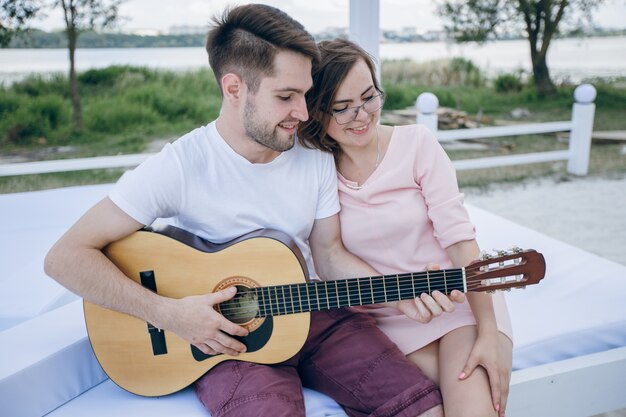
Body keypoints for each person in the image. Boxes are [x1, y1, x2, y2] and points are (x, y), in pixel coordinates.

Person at [44, 5, 462, 417]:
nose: (303, 113)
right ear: (234, 89)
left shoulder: (312, 153)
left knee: (423, 408)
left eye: (305, 94)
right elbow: (64, 258)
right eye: (286, 97)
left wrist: (398, 293)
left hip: (316, 317)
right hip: (224, 344)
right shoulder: (179, 167)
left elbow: (329, 254)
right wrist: (171, 315)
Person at [298, 38, 514, 417]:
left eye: (369, 97)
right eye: (342, 108)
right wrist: (397, 299)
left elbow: (461, 241)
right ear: (318, 113)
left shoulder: (417, 144)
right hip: (383, 321)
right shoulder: (317, 171)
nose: (362, 115)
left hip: (455, 303)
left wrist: (489, 331)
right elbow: (328, 256)